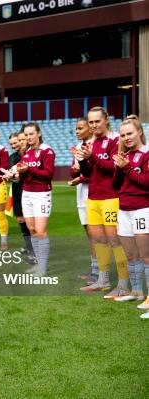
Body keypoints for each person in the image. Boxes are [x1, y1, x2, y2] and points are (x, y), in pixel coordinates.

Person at [77, 107, 129, 298]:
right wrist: (83, 161)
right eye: (90, 122)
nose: (93, 125)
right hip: (93, 198)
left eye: (97, 121)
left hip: (111, 198)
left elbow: (114, 168)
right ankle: (103, 279)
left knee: (115, 241)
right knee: (99, 240)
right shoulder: (92, 142)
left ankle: (123, 283)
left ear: (106, 120)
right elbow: (90, 174)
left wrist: (92, 157)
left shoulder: (116, 140)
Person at [111, 116, 149, 317]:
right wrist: (119, 168)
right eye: (123, 134)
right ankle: (136, 291)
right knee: (131, 254)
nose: (126, 137)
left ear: (140, 132)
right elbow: (116, 186)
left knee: (146, 256)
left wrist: (125, 167)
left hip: (143, 208)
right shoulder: (124, 155)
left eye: (130, 133)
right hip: (124, 209)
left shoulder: (147, 154)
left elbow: (146, 182)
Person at [17, 122, 55, 277]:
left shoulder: (47, 151)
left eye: (31, 134)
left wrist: (29, 169)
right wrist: (16, 174)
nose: (29, 137)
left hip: (41, 195)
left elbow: (48, 174)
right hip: (27, 194)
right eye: (26, 135)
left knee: (40, 231)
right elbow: (24, 176)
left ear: (38, 133)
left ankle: (43, 268)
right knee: (32, 230)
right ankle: (38, 264)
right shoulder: (26, 153)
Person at [68, 118, 97, 284]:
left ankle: (100, 272)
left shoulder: (95, 146)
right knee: (89, 235)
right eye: (76, 129)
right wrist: (75, 170)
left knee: (97, 235)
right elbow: (74, 171)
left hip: (94, 195)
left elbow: (95, 172)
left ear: (90, 129)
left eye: (80, 128)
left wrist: (81, 177)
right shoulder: (79, 147)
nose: (77, 131)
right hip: (82, 196)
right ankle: (95, 269)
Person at [2, 132, 36, 263]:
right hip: (17, 190)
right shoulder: (12, 157)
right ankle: (29, 247)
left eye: (16, 142)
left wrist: (14, 175)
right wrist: (10, 176)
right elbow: (13, 174)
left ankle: (35, 250)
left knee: (31, 223)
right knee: (21, 219)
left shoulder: (31, 154)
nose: (15, 145)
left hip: (30, 190)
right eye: (11, 144)